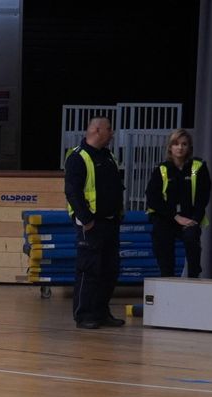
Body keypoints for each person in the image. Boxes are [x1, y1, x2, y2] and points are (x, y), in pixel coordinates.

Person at [63, 117, 126, 329]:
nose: (112, 133)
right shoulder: (78, 157)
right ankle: (84, 315)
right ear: (97, 130)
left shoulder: (109, 156)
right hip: (91, 224)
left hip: (111, 223)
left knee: (110, 270)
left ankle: (101, 312)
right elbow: (72, 191)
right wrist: (86, 220)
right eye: (109, 129)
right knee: (89, 270)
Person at [146, 128, 212, 279]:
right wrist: (175, 217)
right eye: (176, 144)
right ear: (170, 147)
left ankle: (193, 277)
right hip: (166, 218)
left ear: (189, 147)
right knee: (162, 241)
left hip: (189, 218)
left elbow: (203, 196)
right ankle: (167, 278)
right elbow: (152, 198)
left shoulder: (197, 168)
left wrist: (194, 219)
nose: (180, 147)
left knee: (192, 238)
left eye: (184, 144)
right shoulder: (162, 169)